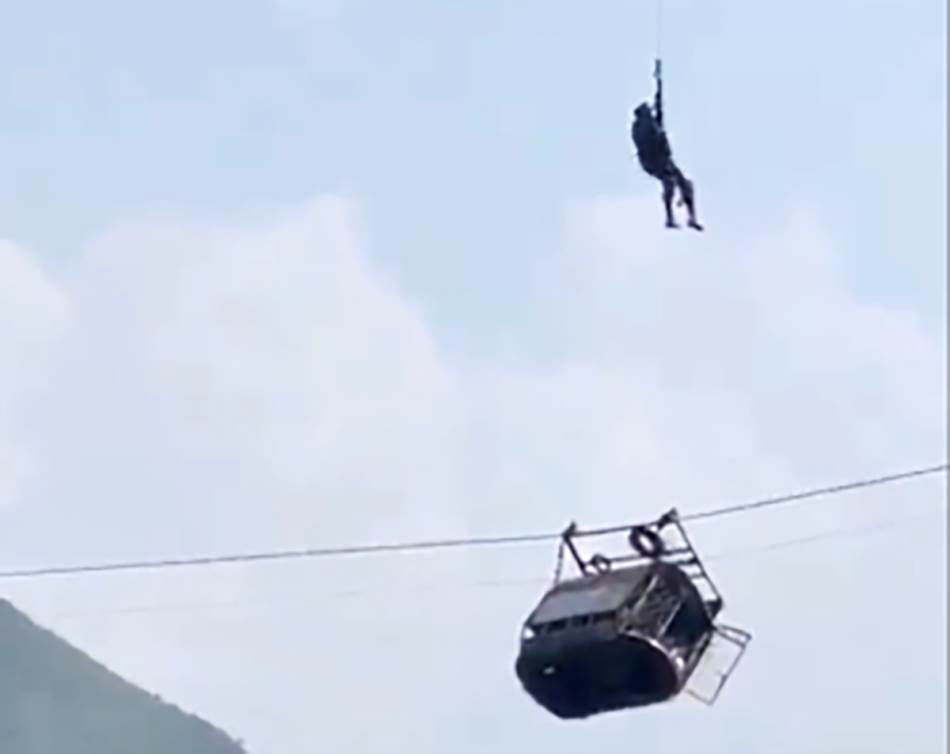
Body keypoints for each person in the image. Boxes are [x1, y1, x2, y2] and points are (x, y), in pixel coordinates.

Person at [630, 61, 703, 231]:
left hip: (663, 159)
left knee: (686, 184)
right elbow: (647, 144)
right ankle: (670, 218)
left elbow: (658, 103)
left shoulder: (653, 122)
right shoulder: (640, 128)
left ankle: (691, 217)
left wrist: (658, 80)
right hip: (653, 161)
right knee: (669, 182)